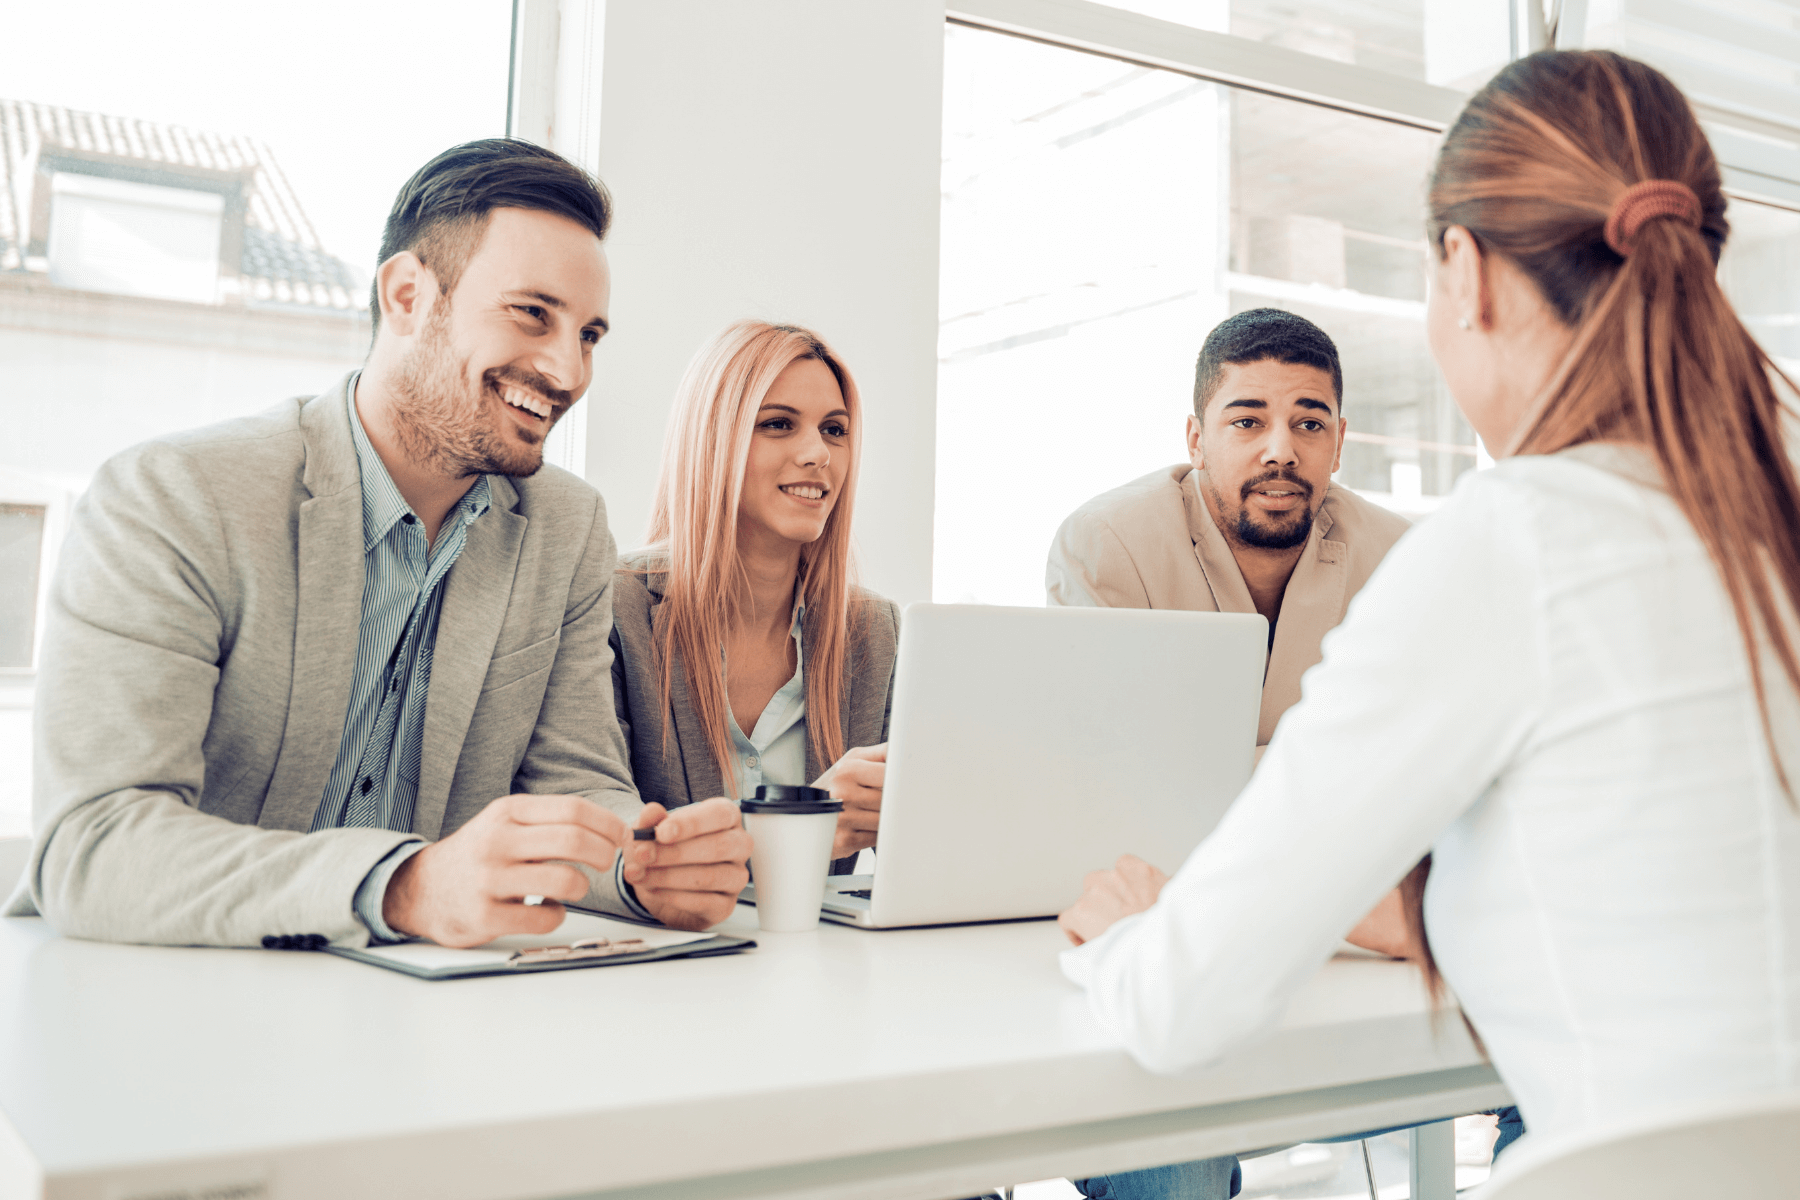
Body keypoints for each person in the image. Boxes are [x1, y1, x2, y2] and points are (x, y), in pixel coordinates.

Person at [1059, 45, 1800, 1166]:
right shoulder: (1768, 522)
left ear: (1467, 271)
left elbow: (1181, 1006)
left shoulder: (1509, 544)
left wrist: (1127, 938)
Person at [6, 138, 750, 948]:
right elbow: (95, 844)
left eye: (590, 334)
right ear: (405, 295)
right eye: (532, 314)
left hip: (415, 1015)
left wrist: (639, 868)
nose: (568, 370)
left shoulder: (564, 528)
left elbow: (576, 783)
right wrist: (400, 885)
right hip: (172, 998)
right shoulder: (174, 498)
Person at [1048, 311, 1440, 1199]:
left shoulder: (1401, 559)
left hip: (1347, 945)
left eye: (1309, 422)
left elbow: (1413, 783)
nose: (1281, 449)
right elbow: (1104, 784)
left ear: (1339, 443)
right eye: (1247, 419)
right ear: (1196, 437)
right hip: (1161, 920)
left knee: (1547, 1057)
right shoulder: (1106, 546)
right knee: (1174, 1138)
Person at [610, 321, 898, 875]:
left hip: (820, 956)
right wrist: (811, 824)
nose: (818, 454)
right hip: (659, 956)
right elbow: (612, 842)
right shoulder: (613, 609)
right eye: (778, 424)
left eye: (834, 430)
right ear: (712, 440)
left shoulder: (875, 632)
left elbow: (927, 857)